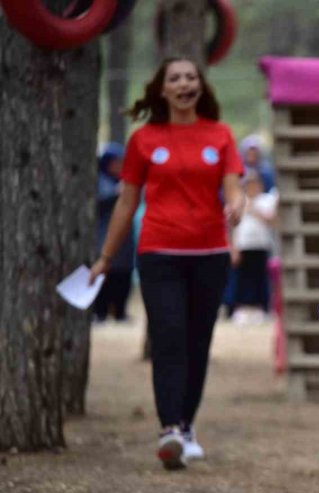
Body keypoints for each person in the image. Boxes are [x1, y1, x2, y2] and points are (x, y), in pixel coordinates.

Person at [89, 57, 244, 470]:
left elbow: (234, 188)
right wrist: (105, 257)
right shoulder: (144, 140)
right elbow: (126, 201)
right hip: (159, 254)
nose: (183, 84)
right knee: (169, 336)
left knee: (198, 343)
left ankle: (186, 427)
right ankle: (169, 429)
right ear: (162, 89)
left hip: (209, 255)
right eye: (174, 78)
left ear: (200, 87)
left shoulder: (220, 134)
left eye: (190, 77)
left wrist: (236, 206)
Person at [93, 142, 135, 323]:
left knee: (123, 277)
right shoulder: (99, 181)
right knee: (104, 277)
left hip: (125, 242)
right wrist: (116, 193)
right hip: (103, 238)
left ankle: (120, 311)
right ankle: (100, 311)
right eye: (118, 162)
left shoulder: (124, 182)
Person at [231, 169, 278, 325]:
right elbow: (234, 225)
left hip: (261, 245)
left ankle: (262, 308)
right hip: (244, 245)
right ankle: (242, 309)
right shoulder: (239, 201)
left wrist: (254, 210)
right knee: (243, 279)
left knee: (260, 278)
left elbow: (272, 220)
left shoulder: (266, 200)